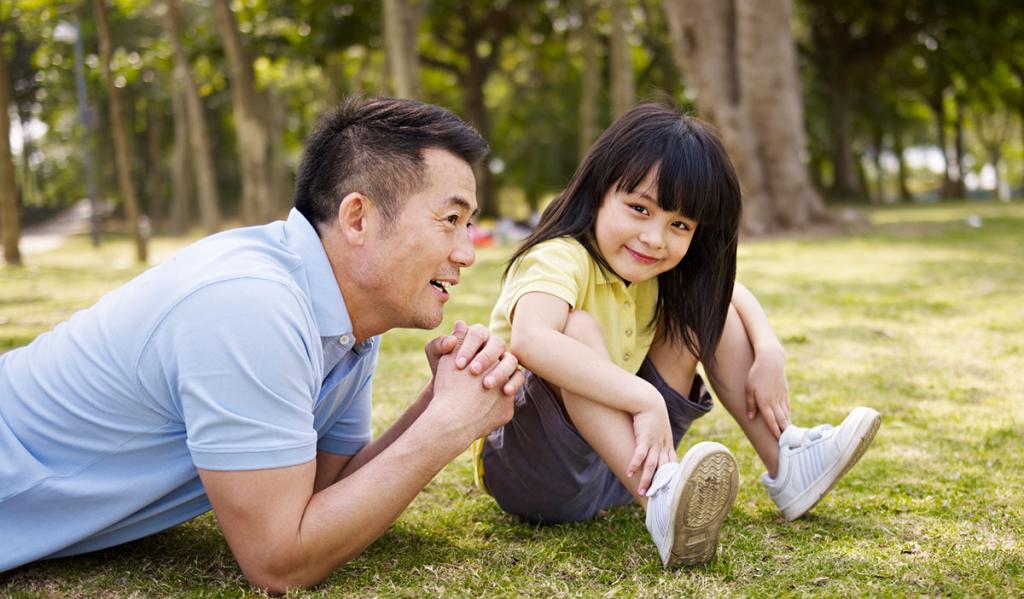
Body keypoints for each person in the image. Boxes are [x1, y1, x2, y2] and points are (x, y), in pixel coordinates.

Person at [0, 97, 526, 592]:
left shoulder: (348, 324)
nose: (467, 252)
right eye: (451, 220)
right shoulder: (250, 304)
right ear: (358, 218)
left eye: (470, 224)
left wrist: (435, 403)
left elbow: (325, 495)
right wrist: (449, 425)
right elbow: (278, 561)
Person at [473, 103, 881, 568]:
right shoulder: (558, 257)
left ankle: (786, 461)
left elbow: (731, 294)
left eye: (679, 225)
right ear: (598, 191)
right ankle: (663, 503)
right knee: (577, 326)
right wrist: (644, 399)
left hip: (618, 471)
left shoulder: (651, 268)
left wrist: (769, 348)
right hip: (532, 473)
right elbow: (533, 339)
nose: (654, 238)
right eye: (640, 209)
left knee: (706, 309)